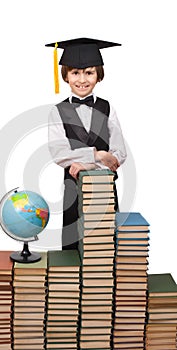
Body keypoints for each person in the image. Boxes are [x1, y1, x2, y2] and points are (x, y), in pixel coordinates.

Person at [46, 38, 127, 250]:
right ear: (65, 76)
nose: (82, 79)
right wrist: (98, 155)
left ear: (99, 75)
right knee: (73, 249)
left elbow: (119, 154)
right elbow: (59, 153)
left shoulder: (107, 108)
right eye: (75, 73)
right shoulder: (58, 111)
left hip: (105, 190)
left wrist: (86, 164)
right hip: (74, 190)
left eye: (89, 72)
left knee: (105, 247)